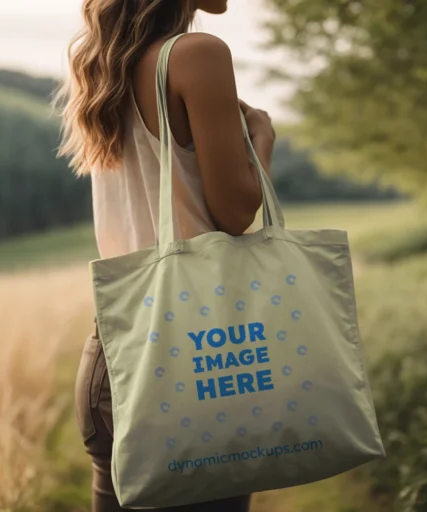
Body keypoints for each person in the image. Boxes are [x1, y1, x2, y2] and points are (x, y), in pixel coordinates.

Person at [55, 1, 276, 510]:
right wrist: (260, 144)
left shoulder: (101, 62)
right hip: (200, 356)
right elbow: (236, 212)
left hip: (113, 359)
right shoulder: (197, 55)